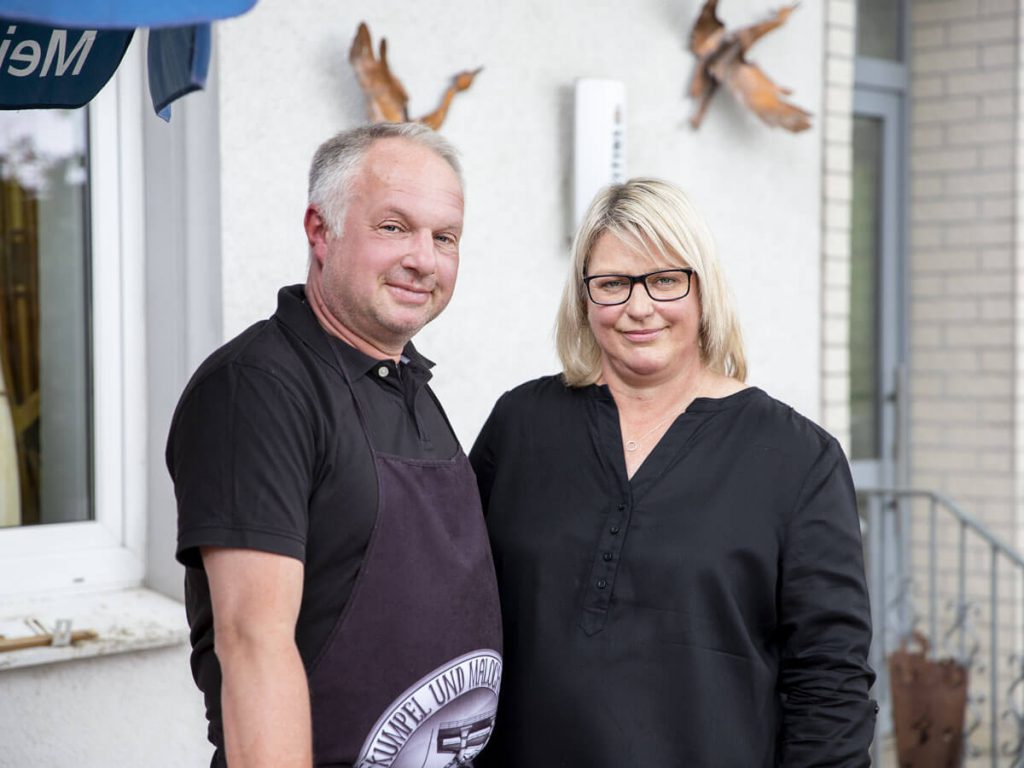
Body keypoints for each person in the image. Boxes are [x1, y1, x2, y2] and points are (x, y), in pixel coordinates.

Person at [470, 178, 876, 767]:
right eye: (611, 284)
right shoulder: (520, 425)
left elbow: (830, 684)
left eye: (665, 281)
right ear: (584, 298)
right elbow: (454, 614)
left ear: (703, 290)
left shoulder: (798, 460)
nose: (639, 308)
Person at [167, 123, 502, 768]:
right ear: (321, 230)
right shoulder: (259, 389)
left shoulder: (408, 382)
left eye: (445, 237)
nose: (423, 259)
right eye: (394, 227)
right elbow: (253, 644)